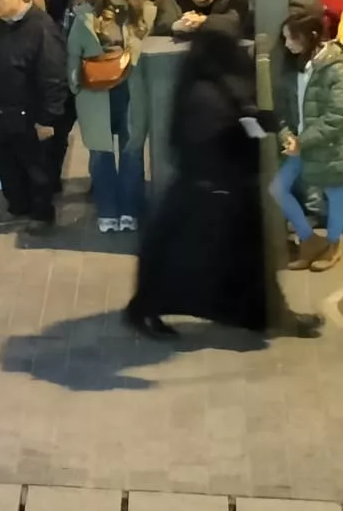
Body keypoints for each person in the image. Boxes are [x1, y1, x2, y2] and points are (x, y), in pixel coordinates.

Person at [128, 27, 322, 338]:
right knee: (231, 267)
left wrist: (256, 124)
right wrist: (249, 131)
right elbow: (214, 141)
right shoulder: (204, 95)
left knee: (238, 268)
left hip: (216, 195)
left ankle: (268, 317)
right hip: (214, 198)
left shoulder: (207, 87)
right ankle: (271, 318)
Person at [0, 0, 69, 234]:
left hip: (29, 117)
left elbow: (53, 76)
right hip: (2, 115)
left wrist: (48, 119)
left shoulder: (41, 29)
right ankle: (17, 206)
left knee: (36, 168)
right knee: (8, 165)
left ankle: (41, 214)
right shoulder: (2, 25)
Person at [70, 0, 155, 232]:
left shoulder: (146, 13)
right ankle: (107, 209)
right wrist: (75, 86)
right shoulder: (87, 12)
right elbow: (73, 51)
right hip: (96, 90)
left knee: (132, 150)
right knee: (100, 152)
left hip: (132, 89)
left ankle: (130, 209)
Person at [270, 12, 343, 271]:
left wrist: (303, 141)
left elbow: (336, 116)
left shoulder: (336, 67)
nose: (287, 43)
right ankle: (309, 239)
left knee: (335, 194)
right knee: (278, 189)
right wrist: (287, 136)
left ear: (311, 37)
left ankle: (335, 244)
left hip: (327, 146)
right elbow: (284, 110)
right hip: (300, 143)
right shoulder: (295, 66)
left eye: (292, 37)